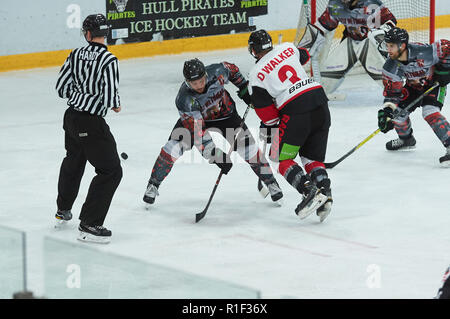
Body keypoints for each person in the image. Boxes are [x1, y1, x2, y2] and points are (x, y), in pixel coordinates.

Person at [143, 58, 283, 207]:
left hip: (226, 116)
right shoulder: (184, 99)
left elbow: (232, 69)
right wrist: (217, 156)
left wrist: (244, 88)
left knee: (250, 149)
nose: (199, 86)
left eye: (201, 81)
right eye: (194, 83)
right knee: (172, 148)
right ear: (187, 82)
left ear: (205, 75)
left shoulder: (217, 72)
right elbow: (199, 135)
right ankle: (153, 185)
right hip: (198, 122)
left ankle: (271, 182)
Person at [247, 29, 332, 222]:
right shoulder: (287, 48)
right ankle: (325, 193)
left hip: (296, 112)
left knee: (279, 157)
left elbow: (270, 119)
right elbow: (305, 55)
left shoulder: (255, 74)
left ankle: (308, 191)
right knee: (311, 157)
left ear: (253, 50)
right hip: (320, 103)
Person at [55, 14, 123, 243]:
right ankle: (90, 224)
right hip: (91, 122)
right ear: (106, 34)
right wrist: (115, 105)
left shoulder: (74, 55)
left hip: (71, 118)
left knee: (74, 160)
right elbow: (112, 99)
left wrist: (80, 92)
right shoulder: (109, 59)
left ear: (88, 34)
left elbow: (61, 89)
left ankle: (63, 209)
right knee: (111, 170)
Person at [377, 27, 450, 166]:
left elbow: (447, 48)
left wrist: (445, 71)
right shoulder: (390, 66)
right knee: (397, 114)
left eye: (391, 46)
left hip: (433, 84)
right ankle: (406, 139)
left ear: (402, 45)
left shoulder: (423, 52)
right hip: (413, 87)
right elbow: (393, 93)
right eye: (387, 46)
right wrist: (388, 111)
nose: (388, 49)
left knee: (430, 112)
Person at [298, 0, 397, 97]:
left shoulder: (372, 4)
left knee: (388, 79)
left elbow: (390, 22)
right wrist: (303, 48)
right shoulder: (335, 5)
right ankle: (319, 95)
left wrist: (381, 36)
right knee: (326, 80)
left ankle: (397, 92)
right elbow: (322, 26)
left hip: (370, 45)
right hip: (351, 43)